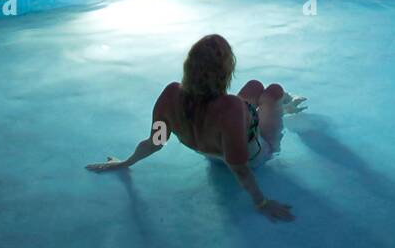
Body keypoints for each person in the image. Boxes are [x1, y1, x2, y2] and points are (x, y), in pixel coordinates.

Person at [86, 35, 305, 222]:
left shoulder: (170, 96)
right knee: (272, 92)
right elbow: (239, 166)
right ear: (225, 72)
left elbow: (155, 142)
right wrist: (261, 202)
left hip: (214, 151)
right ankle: (283, 105)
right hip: (255, 155)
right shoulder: (231, 107)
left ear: (189, 67)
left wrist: (126, 162)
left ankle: (276, 106)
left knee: (254, 86)